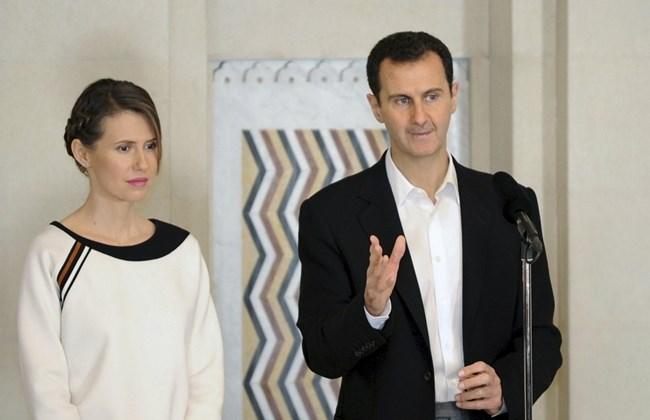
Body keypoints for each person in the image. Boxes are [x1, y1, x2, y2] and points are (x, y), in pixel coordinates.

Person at [296, 32, 562, 420]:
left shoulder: (509, 204)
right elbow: (321, 355)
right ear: (376, 107)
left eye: (432, 96)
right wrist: (370, 310)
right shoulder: (330, 213)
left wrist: (505, 386)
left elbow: (542, 336)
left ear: (453, 95)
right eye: (402, 100)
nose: (420, 117)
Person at [17, 79, 224, 420]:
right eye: (124, 148)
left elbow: (205, 377)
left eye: (150, 145)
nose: (143, 163)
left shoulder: (182, 251)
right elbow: (47, 392)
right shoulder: (53, 254)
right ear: (83, 153)